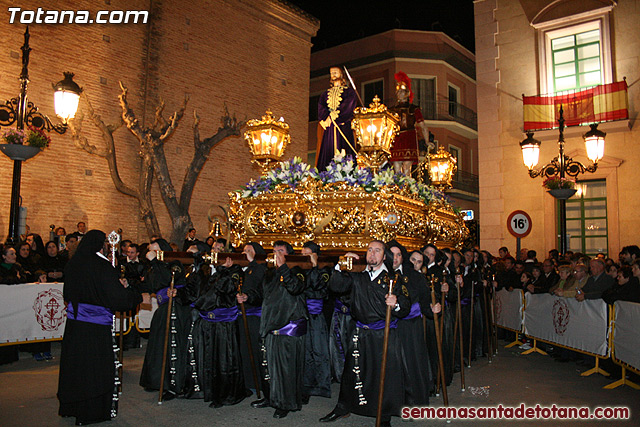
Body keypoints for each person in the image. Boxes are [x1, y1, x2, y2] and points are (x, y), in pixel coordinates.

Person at [320, 240, 410, 426]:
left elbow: (405, 307)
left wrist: (396, 303)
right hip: (359, 332)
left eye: (377, 250)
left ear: (384, 256)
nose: (372, 254)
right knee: (351, 372)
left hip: (383, 335)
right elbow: (335, 286)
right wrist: (340, 265)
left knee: (383, 375)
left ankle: (383, 415)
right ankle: (343, 407)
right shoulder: (357, 277)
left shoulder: (393, 279)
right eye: (369, 250)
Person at [57, 229, 142, 425]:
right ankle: (91, 412)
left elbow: (67, 294)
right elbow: (116, 297)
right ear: (99, 244)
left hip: (75, 326)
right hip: (95, 329)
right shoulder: (101, 266)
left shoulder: (72, 264)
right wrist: (134, 296)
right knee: (93, 370)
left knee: (75, 367)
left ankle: (71, 407)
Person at [243, 240, 307, 419]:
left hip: (288, 327)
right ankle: (270, 397)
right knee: (268, 367)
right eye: (274, 251)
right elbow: (262, 295)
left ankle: (284, 403)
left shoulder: (297, 271)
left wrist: (284, 267)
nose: (276, 254)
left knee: (285, 369)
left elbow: (295, 288)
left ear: (288, 254)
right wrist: (248, 296)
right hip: (270, 324)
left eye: (280, 251)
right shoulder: (269, 273)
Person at [139, 239, 194, 399]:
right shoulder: (153, 267)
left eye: (154, 250)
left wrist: (155, 262)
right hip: (162, 309)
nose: (151, 253)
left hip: (176, 308)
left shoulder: (173, 263)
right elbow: (151, 285)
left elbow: (169, 279)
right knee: (158, 345)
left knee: (172, 346)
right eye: (150, 250)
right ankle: (156, 380)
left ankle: (173, 385)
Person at [300, 241, 332, 402]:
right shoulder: (299, 270)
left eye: (307, 254)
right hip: (301, 314)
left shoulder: (324, 270)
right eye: (302, 254)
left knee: (319, 350)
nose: (304, 257)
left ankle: (321, 386)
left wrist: (313, 268)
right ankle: (305, 386)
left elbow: (318, 286)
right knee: (305, 352)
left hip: (317, 315)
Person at [315, 66, 357, 172]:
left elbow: (349, 104)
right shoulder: (325, 94)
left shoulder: (349, 92)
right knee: (327, 150)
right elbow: (321, 106)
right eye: (331, 73)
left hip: (342, 126)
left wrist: (337, 115)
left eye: (335, 72)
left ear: (341, 74)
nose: (333, 74)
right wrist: (325, 118)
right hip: (329, 127)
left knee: (344, 148)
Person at [388, 71, 430, 176]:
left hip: (409, 137)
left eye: (401, 92)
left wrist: (427, 141)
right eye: (398, 92)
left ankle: (407, 189)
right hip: (396, 137)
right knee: (396, 166)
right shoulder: (391, 110)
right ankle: (398, 188)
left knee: (407, 167)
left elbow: (423, 126)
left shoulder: (413, 109)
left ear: (407, 93)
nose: (399, 94)